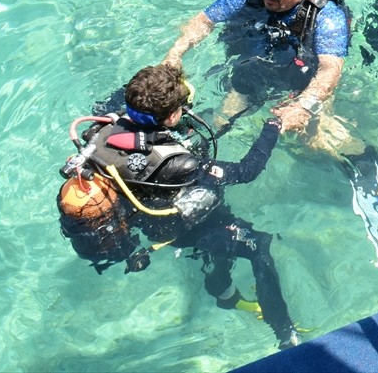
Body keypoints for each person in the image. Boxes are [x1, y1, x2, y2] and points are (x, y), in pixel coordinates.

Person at [162, 0, 378, 274]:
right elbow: (201, 22)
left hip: (305, 78)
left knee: (316, 140)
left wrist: (304, 107)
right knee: (217, 122)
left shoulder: (325, 15)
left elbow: (330, 71)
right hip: (257, 68)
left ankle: (365, 163)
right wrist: (176, 53)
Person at [57, 65, 301, 348]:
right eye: (182, 106)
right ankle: (285, 334)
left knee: (222, 234)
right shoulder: (177, 165)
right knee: (258, 245)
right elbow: (248, 170)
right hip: (179, 228)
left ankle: (223, 293)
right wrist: (274, 126)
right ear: (172, 115)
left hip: (140, 215)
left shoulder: (98, 129)